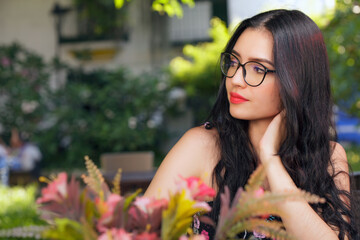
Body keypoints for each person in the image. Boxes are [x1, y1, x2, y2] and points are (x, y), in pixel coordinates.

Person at [145, 9, 358, 240]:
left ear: (295, 81)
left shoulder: (328, 156)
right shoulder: (202, 146)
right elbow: (130, 230)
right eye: (234, 62)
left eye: (258, 69)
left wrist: (271, 159)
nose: (235, 79)